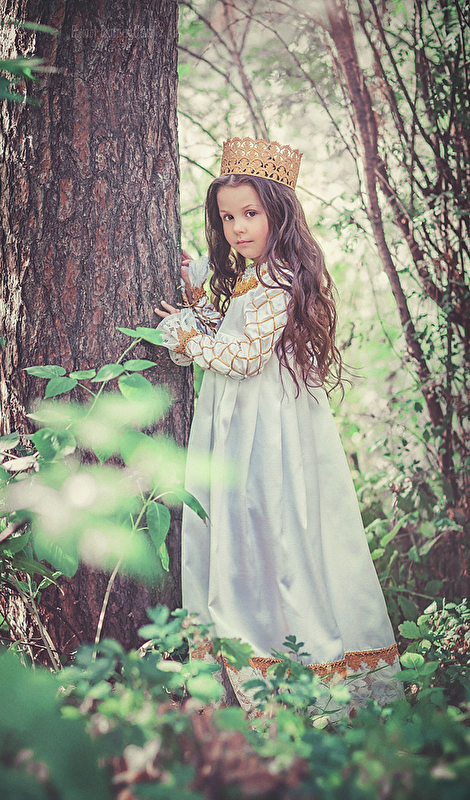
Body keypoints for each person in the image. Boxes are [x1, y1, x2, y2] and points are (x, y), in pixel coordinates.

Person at [154, 137, 402, 714]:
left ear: (279, 214)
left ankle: (289, 663)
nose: (238, 228)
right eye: (227, 217)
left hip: (268, 432)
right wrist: (199, 301)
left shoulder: (277, 280)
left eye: (251, 214)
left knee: (272, 529)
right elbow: (234, 328)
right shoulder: (252, 278)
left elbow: (244, 358)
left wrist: (186, 338)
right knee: (251, 530)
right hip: (244, 422)